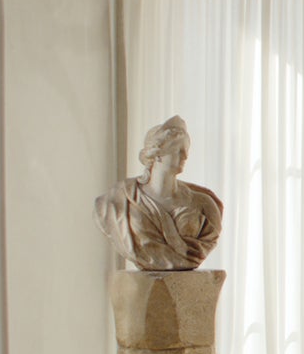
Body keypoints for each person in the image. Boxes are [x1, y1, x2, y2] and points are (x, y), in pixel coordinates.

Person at [94, 116, 223, 271]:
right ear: (157, 154)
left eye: (186, 151)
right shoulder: (118, 201)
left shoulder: (203, 204)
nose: (186, 156)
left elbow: (209, 239)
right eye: (178, 151)